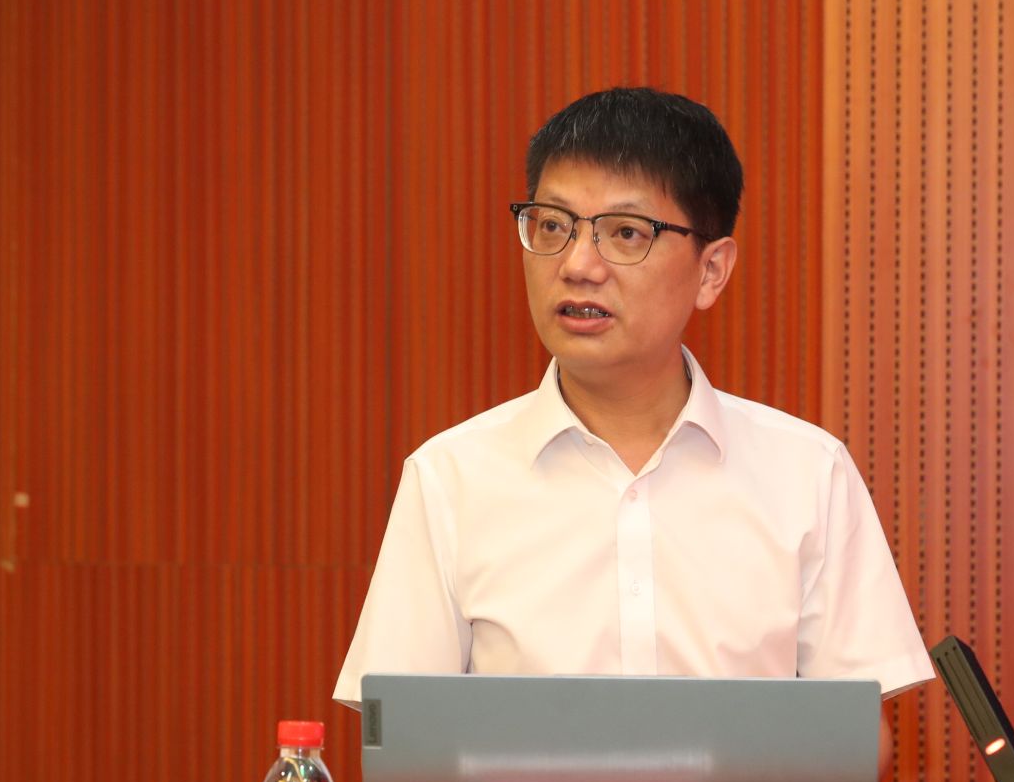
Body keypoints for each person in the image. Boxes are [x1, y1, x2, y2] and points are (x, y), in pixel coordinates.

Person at [334, 88, 931, 748]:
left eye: (625, 233)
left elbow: (857, 744)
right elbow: (404, 743)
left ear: (711, 271)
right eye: (552, 226)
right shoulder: (451, 478)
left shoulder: (807, 473)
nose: (577, 266)